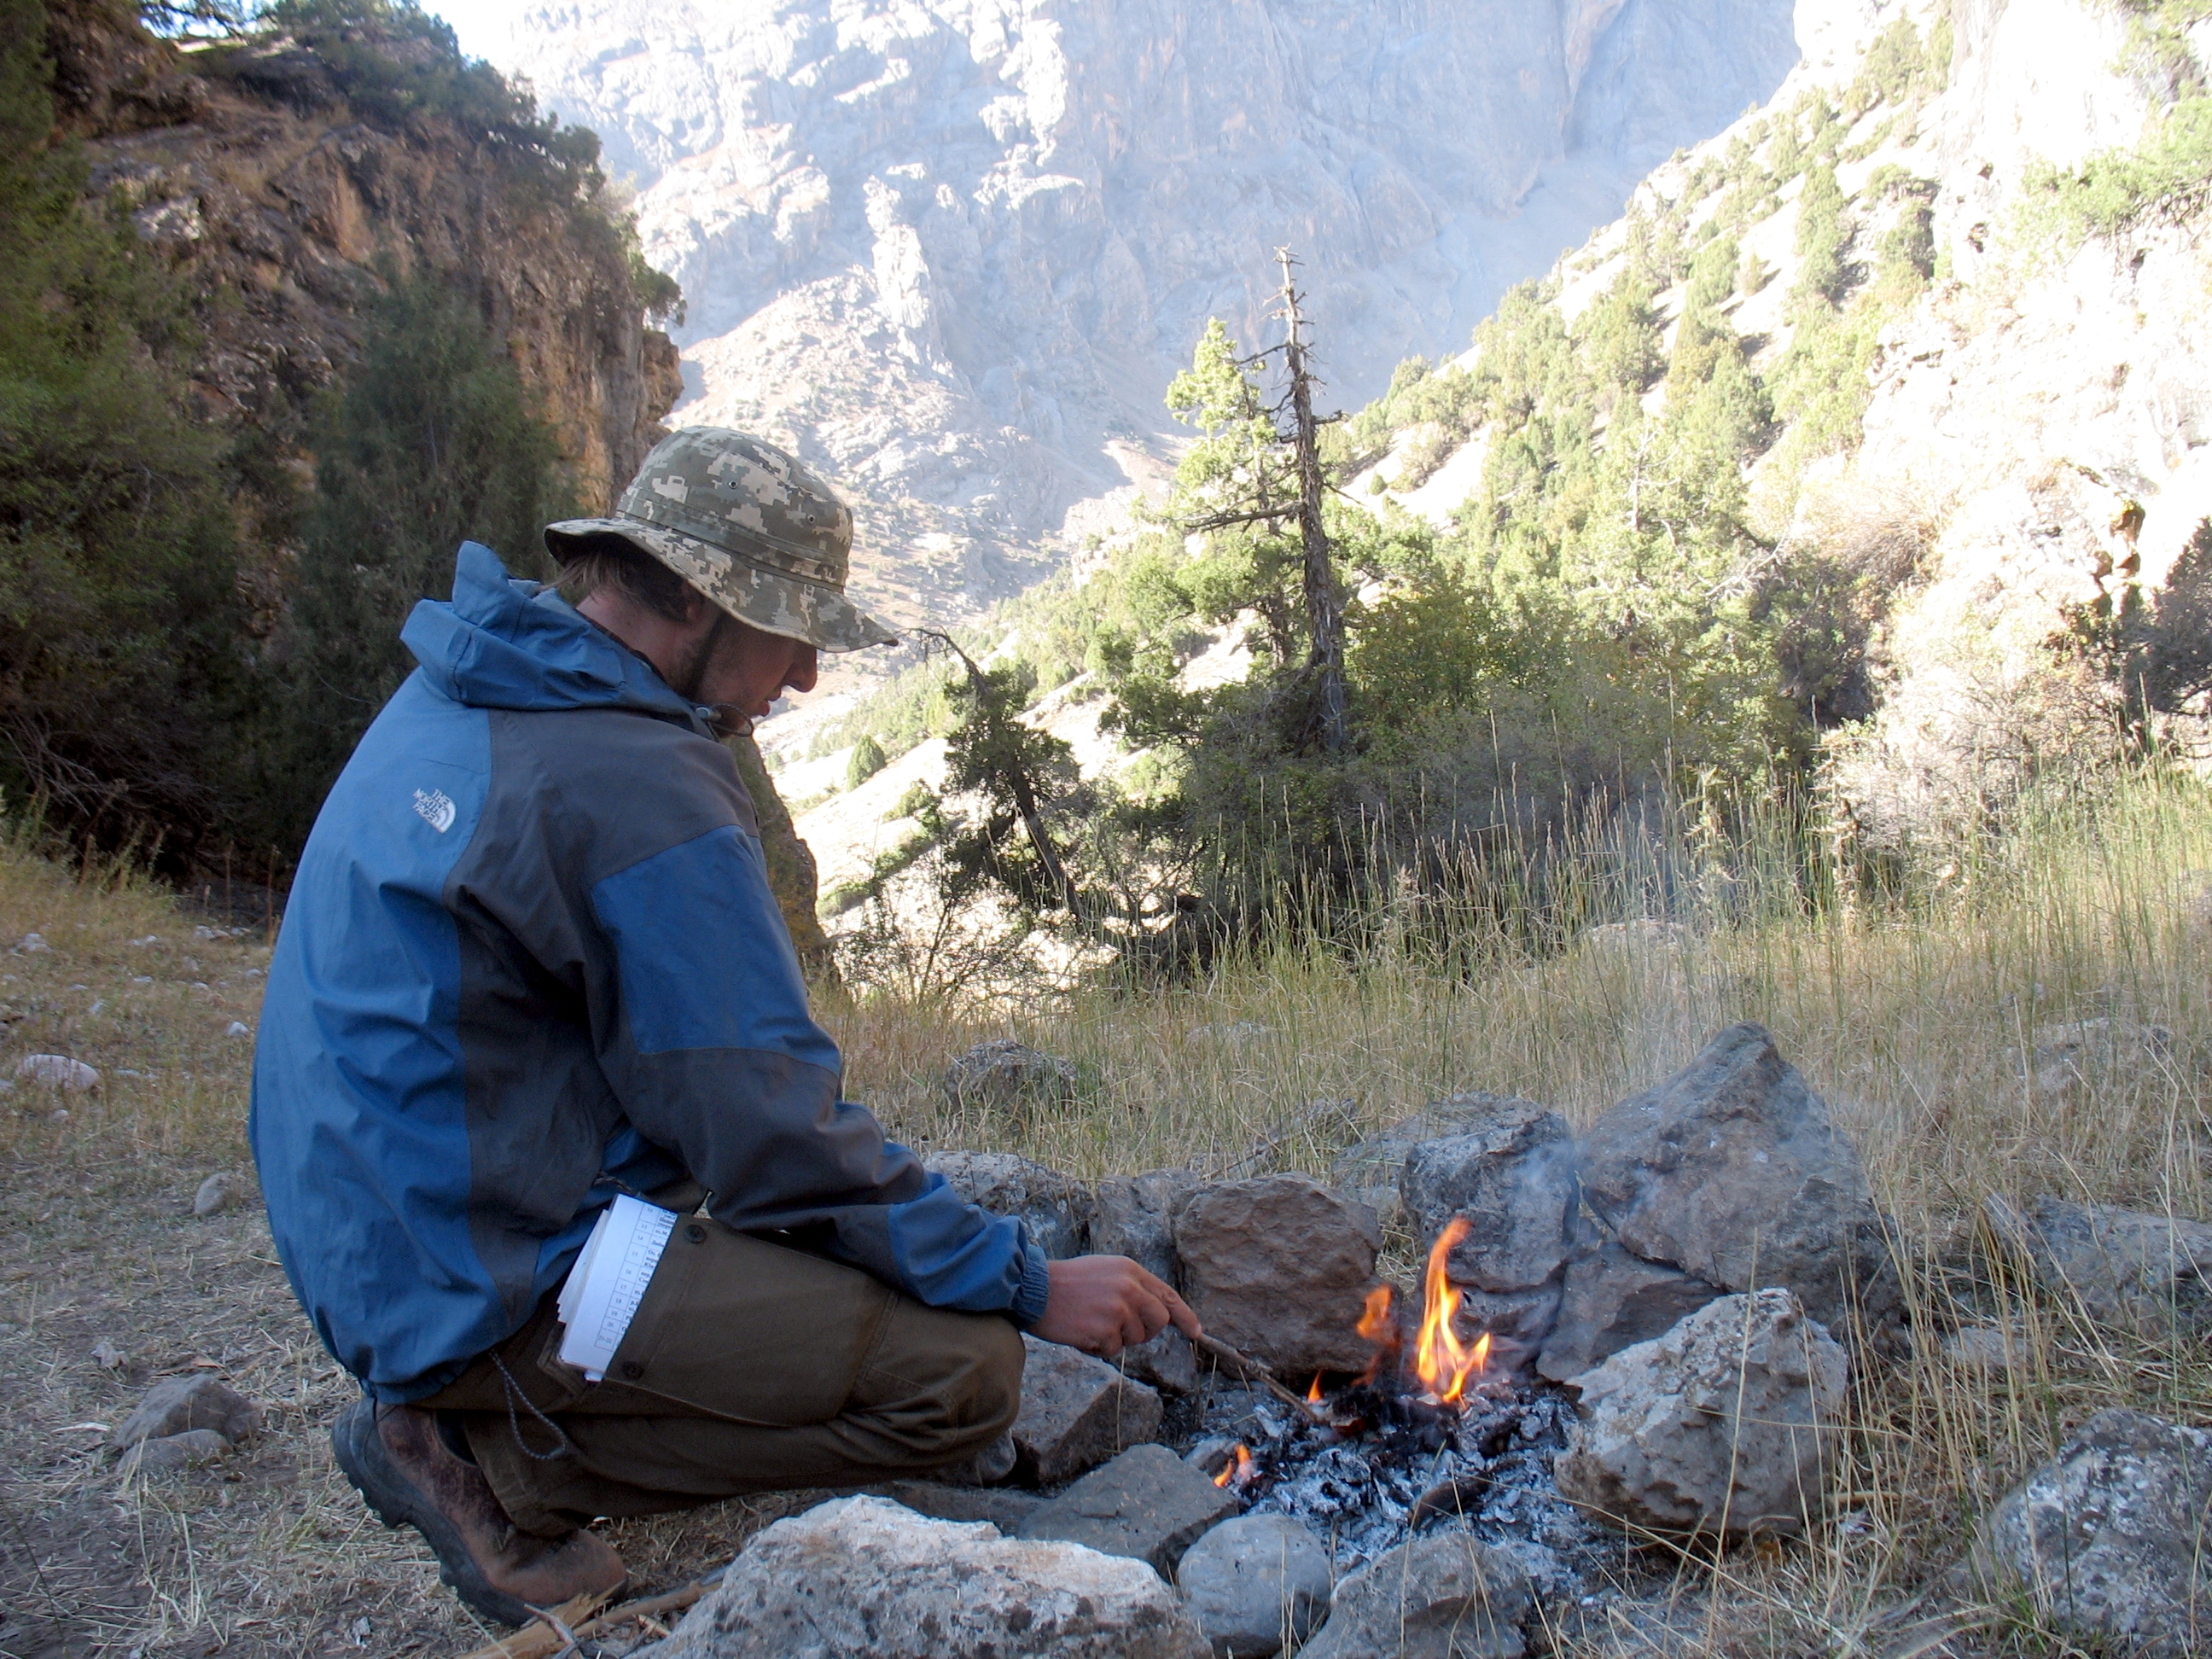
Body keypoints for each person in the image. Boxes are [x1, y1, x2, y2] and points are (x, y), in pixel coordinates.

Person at [248, 428, 1200, 1624]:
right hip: (483, 1279)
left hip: (374, 1236)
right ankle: (487, 1463)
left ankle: (482, 1405)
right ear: (692, 597)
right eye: (788, 629)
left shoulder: (481, 679)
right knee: (962, 1376)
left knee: (827, 1259)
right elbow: (771, 1135)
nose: (804, 674)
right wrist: (1021, 1279)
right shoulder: (639, 779)